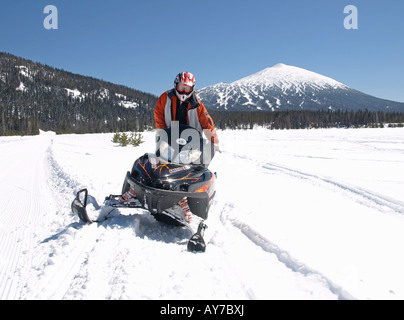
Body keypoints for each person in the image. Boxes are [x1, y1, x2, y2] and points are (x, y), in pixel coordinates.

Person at [154, 71, 220, 152]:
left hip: (192, 144)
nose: (184, 91)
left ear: (192, 88)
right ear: (176, 86)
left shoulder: (197, 104)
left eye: (187, 88)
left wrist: (214, 142)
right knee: (162, 161)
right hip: (170, 140)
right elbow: (159, 117)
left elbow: (207, 124)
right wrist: (164, 135)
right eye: (181, 87)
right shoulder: (165, 98)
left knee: (195, 162)